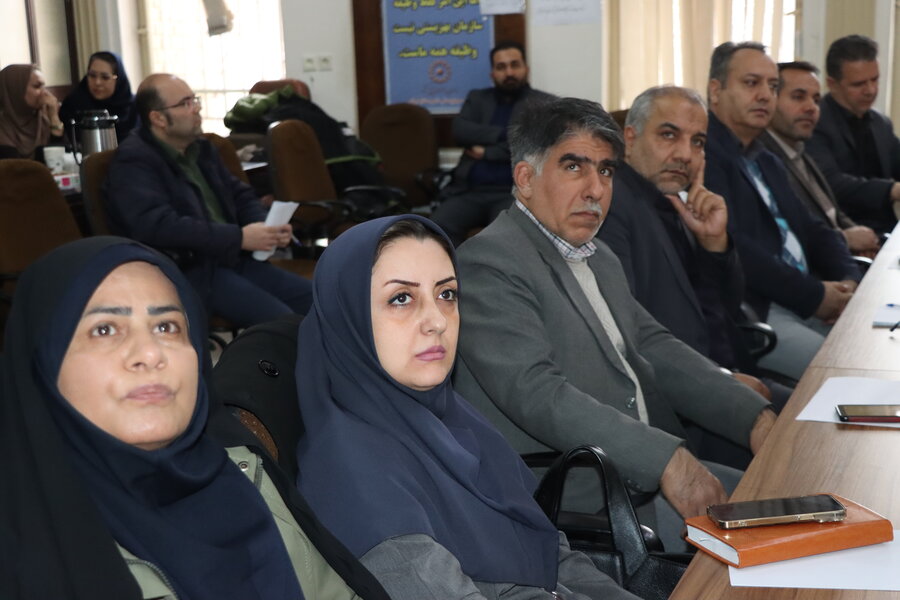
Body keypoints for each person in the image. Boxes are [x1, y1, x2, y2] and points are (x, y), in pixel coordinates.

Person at [452, 97, 775, 552]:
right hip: (575, 500)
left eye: (605, 171)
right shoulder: (489, 262)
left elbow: (653, 344)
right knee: (770, 544)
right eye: (574, 167)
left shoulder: (597, 255)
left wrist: (752, 416)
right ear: (525, 179)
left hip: (638, 476)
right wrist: (665, 460)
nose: (595, 189)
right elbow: (539, 394)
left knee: (791, 508)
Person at [0, 236, 390, 600]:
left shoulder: (245, 472)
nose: (150, 353)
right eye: (105, 329)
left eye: (167, 326)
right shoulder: (31, 556)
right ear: (42, 362)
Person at [294, 215, 640, 600]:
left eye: (447, 294)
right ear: (347, 315)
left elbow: (554, 558)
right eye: (401, 298)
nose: (436, 321)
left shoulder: (454, 421)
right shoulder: (358, 486)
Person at [704, 42, 861, 381]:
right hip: (758, 311)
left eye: (772, 86)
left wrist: (849, 282)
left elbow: (815, 229)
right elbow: (737, 248)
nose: (765, 95)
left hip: (805, 298)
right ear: (716, 90)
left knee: (874, 350)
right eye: (751, 83)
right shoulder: (704, 157)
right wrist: (816, 296)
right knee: (846, 371)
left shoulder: (766, 159)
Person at [104, 73, 312, 327]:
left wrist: (264, 228)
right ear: (158, 118)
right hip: (190, 270)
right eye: (185, 104)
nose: (196, 109)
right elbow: (158, 226)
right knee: (285, 324)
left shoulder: (202, 148)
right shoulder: (134, 162)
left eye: (195, 100)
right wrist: (239, 237)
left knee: (322, 300)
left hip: (232, 257)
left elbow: (240, 194)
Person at [431, 41, 554, 246]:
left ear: (526, 69)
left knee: (501, 240)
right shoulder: (477, 99)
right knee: (435, 231)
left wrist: (486, 152)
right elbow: (460, 131)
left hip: (512, 193)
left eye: (514, 65)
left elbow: (534, 147)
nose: (509, 72)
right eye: (501, 67)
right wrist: (507, 133)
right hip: (468, 191)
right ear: (492, 74)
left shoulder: (545, 104)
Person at [760, 61, 880, 258]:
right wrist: (845, 239)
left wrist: (867, 241)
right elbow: (791, 238)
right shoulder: (763, 159)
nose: (811, 108)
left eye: (816, 100)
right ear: (770, 99)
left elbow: (832, 213)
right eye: (798, 97)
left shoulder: (800, 150)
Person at [806, 35, 900, 234]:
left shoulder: (881, 123)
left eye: (875, 80)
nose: (870, 90)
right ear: (832, 84)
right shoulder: (812, 122)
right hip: (841, 233)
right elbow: (830, 183)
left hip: (884, 231)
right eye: (858, 84)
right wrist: (891, 190)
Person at [60, 51, 140, 142]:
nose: (97, 82)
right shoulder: (73, 104)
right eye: (92, 75)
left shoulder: (135, 106)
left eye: (105, 77)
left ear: (118, 80)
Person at [0, 63, 64, 159]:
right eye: (37, 86)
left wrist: (54, 117)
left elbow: (59, 160)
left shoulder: (43, 120)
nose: (45, 93)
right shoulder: (3, 128)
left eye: (44, 86)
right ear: (16, 90)